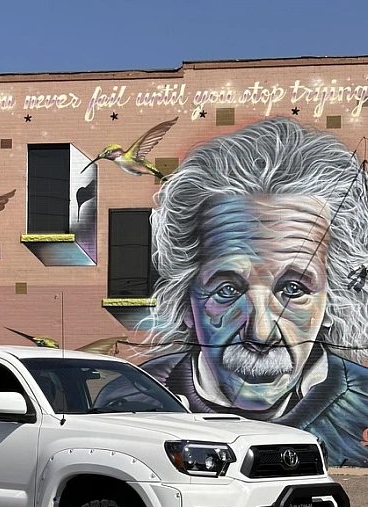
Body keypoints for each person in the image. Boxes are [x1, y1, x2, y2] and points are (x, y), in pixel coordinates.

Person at [140, 117, 368, 466]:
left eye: (293, 289)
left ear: (331, 302)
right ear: (186, 301)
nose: (260, 332)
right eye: (228, 289)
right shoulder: (137, 398)